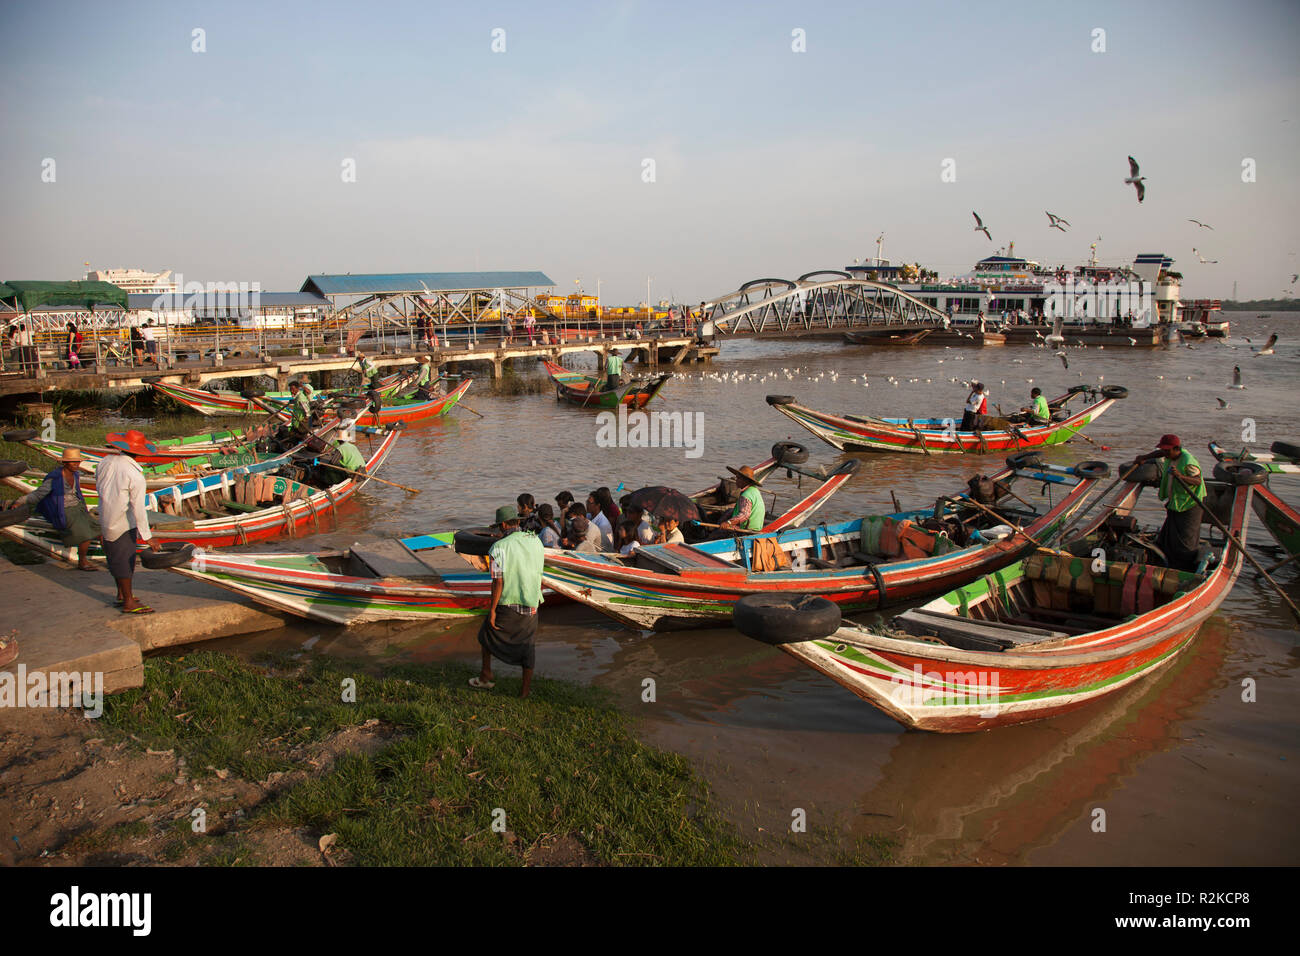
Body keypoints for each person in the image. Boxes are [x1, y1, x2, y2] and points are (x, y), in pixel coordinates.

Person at [471, 505, 544, 698]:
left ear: (503, 525)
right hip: (531, 601)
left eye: (498, 527)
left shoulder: (498, 547)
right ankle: (524, 692)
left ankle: (486, 675)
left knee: (486, 635)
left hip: (508, 602)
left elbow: (498, 581)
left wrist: (493, 610)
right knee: (528, 647)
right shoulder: (535, 540)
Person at [7, 448, 98, 570]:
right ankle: (82, 562)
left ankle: (112, 559)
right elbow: (38, 494)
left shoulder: (76, 474)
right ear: (65, 463)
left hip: (79, 507)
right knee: (85, 534)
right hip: (65, 510)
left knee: (100, 528)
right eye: (73, 462)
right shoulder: (55, 478)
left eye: (78, 462)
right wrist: (19, 502)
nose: (76, 464)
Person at [95, 447, 162, 613]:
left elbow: (100, 487)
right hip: (123, 522)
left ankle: (122, 594)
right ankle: (129, 601)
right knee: (125, 561)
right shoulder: (135, 475)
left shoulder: (105, 462)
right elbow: (138, 508)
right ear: (139, 453)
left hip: (106, 517)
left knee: (115, 558)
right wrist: (147, 536)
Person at [1132, 435, 1207, 572]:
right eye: (1164, 451)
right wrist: (1144, 457)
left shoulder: (1188, 462)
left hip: (1191, 504)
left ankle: (1183, 570)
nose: (1165, 454)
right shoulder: (1170, 455)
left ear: (1177, 449)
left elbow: (1197, 481)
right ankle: (1165, 563)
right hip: (1177, 502)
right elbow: (1159, 452)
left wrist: (1180, 476)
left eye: (1168, 451)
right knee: (1168, 536)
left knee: (1186, 541)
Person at [719, 466, 765, 532]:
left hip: (747, 530)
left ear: (745, 480)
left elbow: (744, 515)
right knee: (729, 511)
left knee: (716, 534)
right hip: (757, 527)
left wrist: (728, 523)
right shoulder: (754, 490)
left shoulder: (746, 495)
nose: (736, 480)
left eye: (738, 478)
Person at [355, 350, 382, 414]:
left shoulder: (367, 361)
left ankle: (379, 391)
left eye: (359, 358)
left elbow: (372, 366)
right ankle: (374, 390)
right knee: (372, 384)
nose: (359, 359)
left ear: (362, 358)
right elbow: (362, 368)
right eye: (358, 358)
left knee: (375, 383)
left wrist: (367, 369)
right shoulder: (360, 362)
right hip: (370, 374)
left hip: (374, 373)